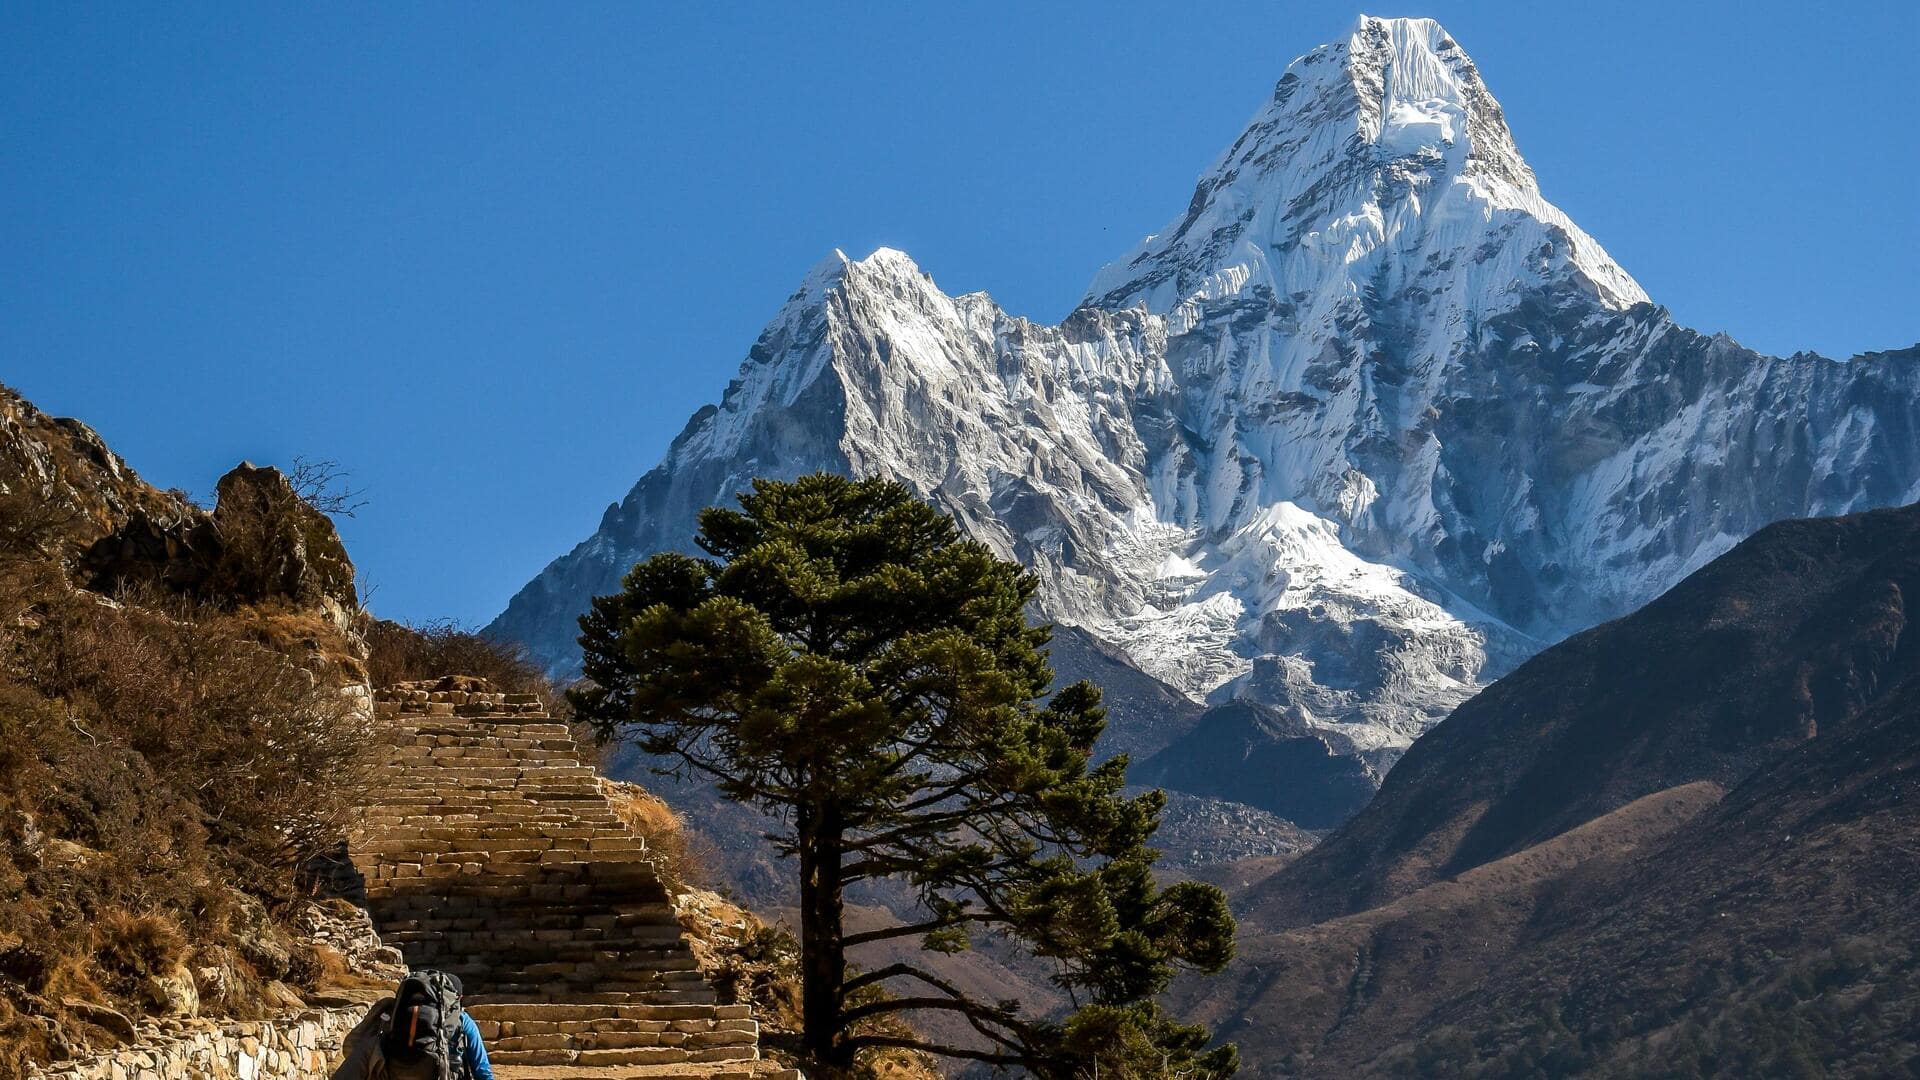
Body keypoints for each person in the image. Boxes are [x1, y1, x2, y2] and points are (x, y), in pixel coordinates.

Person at [332, 970, 494, 1080]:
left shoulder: (395, 1015)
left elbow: (355, 1049)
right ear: (456, 998)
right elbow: (482, 1069)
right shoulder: (462, 1020)